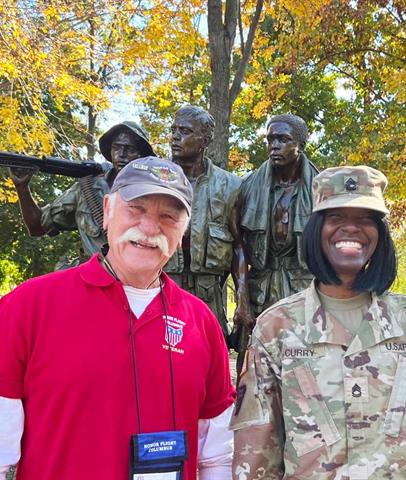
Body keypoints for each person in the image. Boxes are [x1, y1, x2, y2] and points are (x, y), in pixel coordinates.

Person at [0, 156, 235, 480]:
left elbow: (217, 457)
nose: (150, 227)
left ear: (184, 230)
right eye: (136, 208)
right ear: (108, 209)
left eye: (168, 215)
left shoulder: (201, 324)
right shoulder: (28, 306)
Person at [231, 166, 406, 479]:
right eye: (336, 217)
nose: (351, 228)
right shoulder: (277, 327)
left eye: (366, 219)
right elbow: (256, 456)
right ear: (315, 229)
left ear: (380, 233)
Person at [231, 113, 318, 368]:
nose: (274, 146)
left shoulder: (321, 189)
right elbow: (238, 248)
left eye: (283, 139)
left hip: (304, 292)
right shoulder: (247, 187)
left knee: (304, 372)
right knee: (254, 368)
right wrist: (242, 300)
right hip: (260, 292)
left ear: (300, 145)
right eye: (270, 139)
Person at [9, 121, 155, 264]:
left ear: (143, 156)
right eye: (116, 147)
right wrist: (22, 188)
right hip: (91, 281)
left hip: (137, 283)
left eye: (130, 149)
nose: (121, 154)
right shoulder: (87, 188)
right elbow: (37, 227)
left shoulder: (157, 196)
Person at [166, 105, 246, 339]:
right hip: (162, 288)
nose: (175, 137)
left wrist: (242, 299)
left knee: (208, 355)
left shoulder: (230, 185)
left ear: (205, 140)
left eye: (185, 131)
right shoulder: (156, 180)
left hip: (208, 292)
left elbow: (239, 245)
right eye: (174, 130)